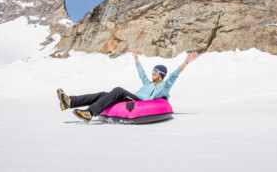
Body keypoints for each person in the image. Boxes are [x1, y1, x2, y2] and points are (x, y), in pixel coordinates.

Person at [57, 50, 199, 123]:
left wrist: (186, 62)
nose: (152, 73)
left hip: (140, 102)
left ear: (160, 74)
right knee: (103, 94)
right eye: (153, 71)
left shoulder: (163, 86)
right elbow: (141, 74)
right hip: (133, 98)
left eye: (155, 72)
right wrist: (136, 59)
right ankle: (70, 101)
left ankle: (90, 113)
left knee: (118, 90)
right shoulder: (148, 83)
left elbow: (173, 76)